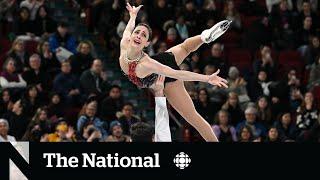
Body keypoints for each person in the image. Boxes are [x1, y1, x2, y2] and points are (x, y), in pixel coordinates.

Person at [119, 3, 230, 141]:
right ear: (131, 37)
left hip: (165, 78)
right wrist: (133, 16)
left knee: (193, 118)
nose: (139, 35)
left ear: (147, 44)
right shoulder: (124, 42)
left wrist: (206, 78)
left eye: (144, 35)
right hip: (163, 59)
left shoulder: (146, 64)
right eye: (137, 32)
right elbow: (128, 28)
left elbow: (177, 74)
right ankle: (204, 37)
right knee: (185, 48)